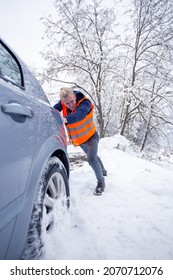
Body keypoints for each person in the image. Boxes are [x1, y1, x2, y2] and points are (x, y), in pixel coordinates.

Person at [54, 87, 107, 195]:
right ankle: (103, 171)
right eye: (67, 103)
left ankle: (101, 182)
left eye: (72, 101)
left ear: (74, 95)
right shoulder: (63, 103)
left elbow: (80, 114)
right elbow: (53, 110)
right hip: (81, 140)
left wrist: (65, 119)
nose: (71, 105)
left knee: (91, 159)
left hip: (92, 137)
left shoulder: (85, 102)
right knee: (94, 156)